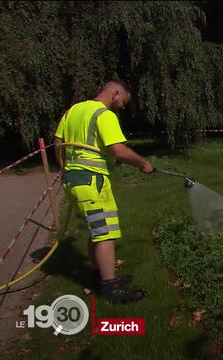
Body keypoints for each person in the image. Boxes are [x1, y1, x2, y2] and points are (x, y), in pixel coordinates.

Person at [54, 79, 153, 303]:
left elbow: (58, 141)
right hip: (91, 181)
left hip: (74, 181)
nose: (123, 106)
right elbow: (118, 150)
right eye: (123, 101)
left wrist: (66, 168)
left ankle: (102, 275)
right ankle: (111, 289)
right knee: (105, 233)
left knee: (95, 230)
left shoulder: (73, 111)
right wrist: (143, 163)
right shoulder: (104, 115)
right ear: (115, 93)